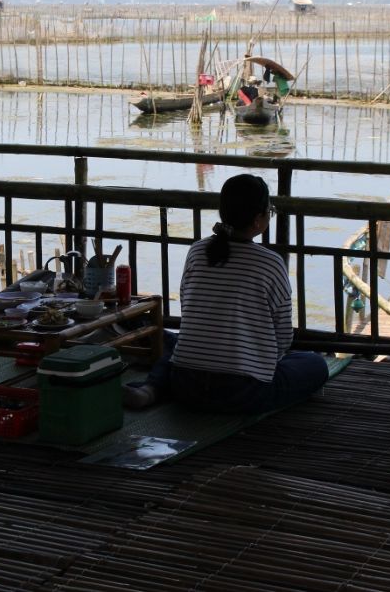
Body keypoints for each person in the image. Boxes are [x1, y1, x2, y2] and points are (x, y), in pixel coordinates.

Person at [123, 174, 329, 414]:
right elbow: (283, 337)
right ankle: (156, 388)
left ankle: (150, 389)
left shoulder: (197, 251)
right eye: (269, 211)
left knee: (176, 345)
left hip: (187, 386)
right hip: (244, 392)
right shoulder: (270, 263)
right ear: (257, 220)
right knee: (315, 363)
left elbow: (188, 307)